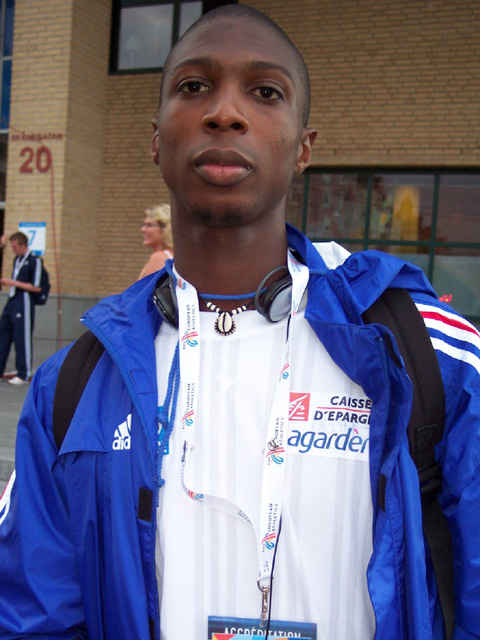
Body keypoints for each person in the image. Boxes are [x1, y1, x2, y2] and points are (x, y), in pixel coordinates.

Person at [0, 5, 479, 639]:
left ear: (303, 147)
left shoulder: (420, 346)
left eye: (265, 92)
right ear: (156, 139)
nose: (225, 112)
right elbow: (32, 615)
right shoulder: (73, 384)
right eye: (194, 86)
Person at [0, 231, 41, 385]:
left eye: (15, 247)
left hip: (23, 299)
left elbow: (36, 286)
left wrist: (13, 283)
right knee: (3, 334)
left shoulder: (34, 260)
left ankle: (24, 373)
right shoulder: (17, 259)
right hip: (12, 298)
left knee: (21, 336)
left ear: (23, 245)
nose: (13, 250)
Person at [137, 203, 174, 280]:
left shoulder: (159, 257)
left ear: (166, 228)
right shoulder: (174, 256)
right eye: (143, 225)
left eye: (149, 225)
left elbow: (150, 288)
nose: (143, 229)